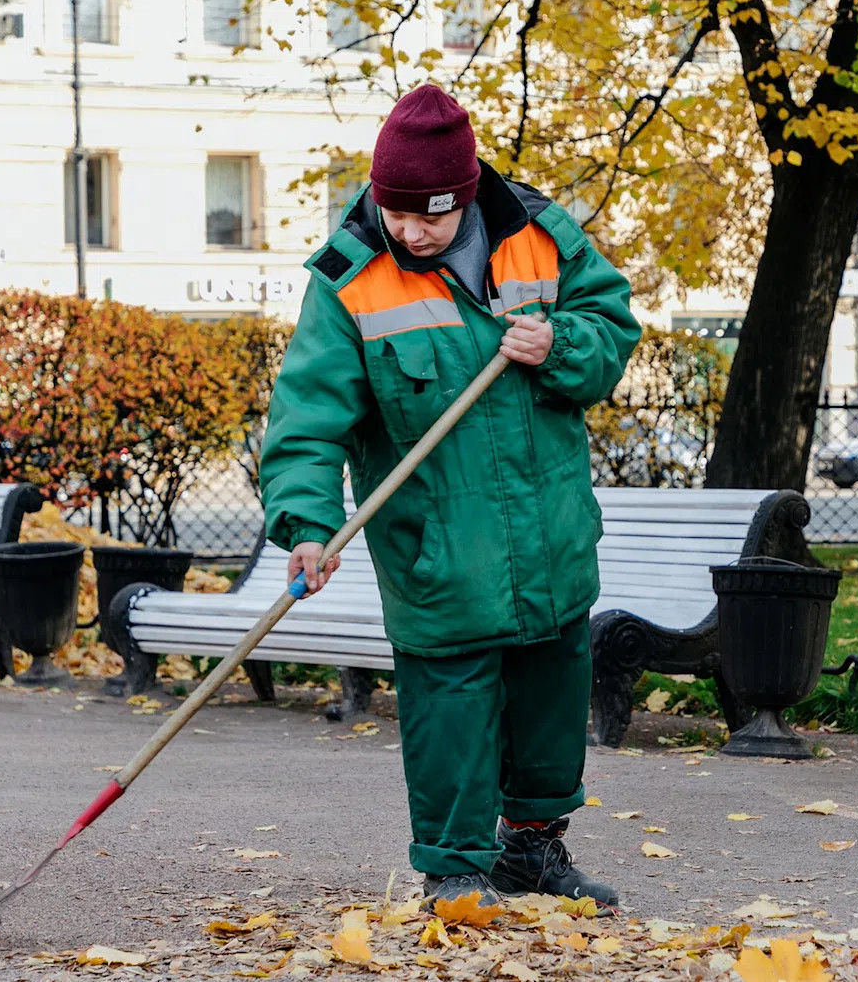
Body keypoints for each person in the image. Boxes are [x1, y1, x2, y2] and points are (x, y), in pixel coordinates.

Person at [260, 84, 640, 910]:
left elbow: (612, 333)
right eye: (398, 215)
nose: (411, 232)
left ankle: (533, 850)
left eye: (429, 217)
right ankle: (455, 871)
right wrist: (307, 523)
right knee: (451, 707)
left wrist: (562, 342)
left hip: (548, 533)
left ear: (465, 198)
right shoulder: (350, 282)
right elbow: (306, 419)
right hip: (437, 545)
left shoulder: (542, 237)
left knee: (550, 691)